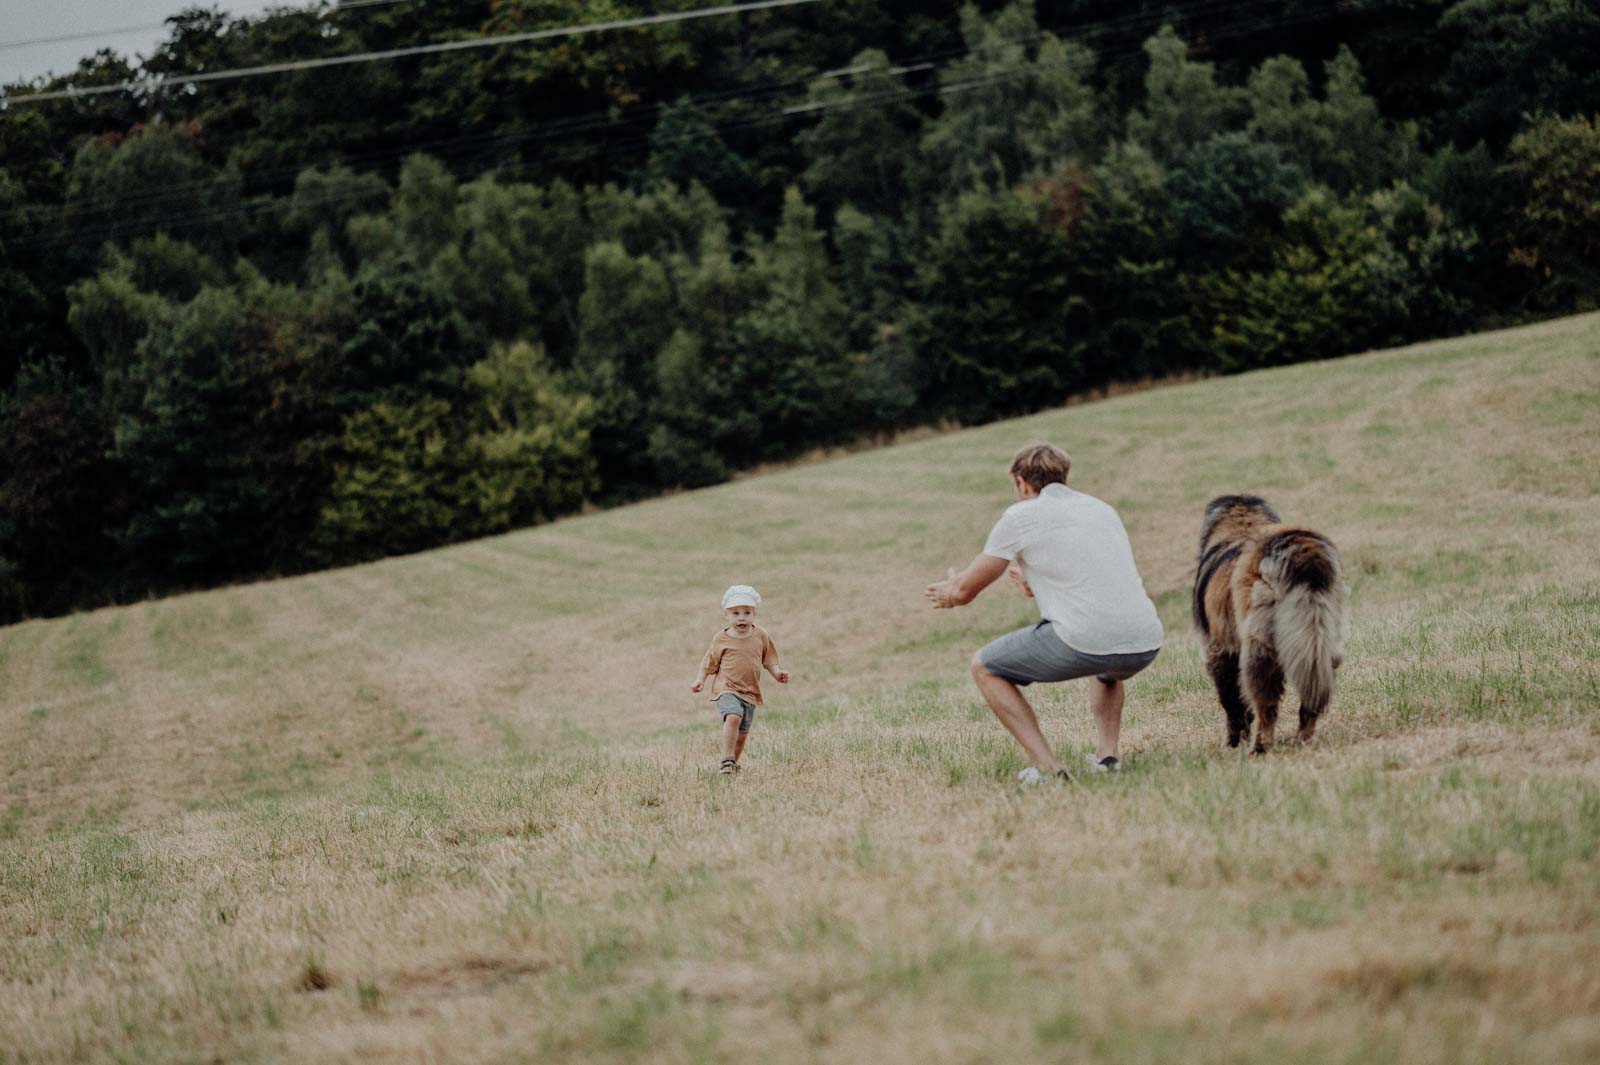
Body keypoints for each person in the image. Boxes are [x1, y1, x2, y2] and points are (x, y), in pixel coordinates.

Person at [925, 443, 1163, 783]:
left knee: (985, 667)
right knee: (1107, 667)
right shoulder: (1102, 509)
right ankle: (1108, 759)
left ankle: (1048, 771)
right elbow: (1092, 579)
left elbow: (965, 591)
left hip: (1085, 640)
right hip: (1145, 640)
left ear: (1023, 483)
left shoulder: (1021, 517)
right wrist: (1034, 584)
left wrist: (949, 592)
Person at [691, 585, 789, 774]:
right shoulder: (722, 638)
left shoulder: (761, 635)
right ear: (726, 615)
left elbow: (768, 659)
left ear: (754, 613)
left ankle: (731, 766)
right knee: (733, 716)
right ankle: (727, 759)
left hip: (750, 692)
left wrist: (777, 673)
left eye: (747, 612)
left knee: (742, 735)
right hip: (726, 688)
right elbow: (709, 661)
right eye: (735, 613)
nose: (741, 617)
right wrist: (700, 680)